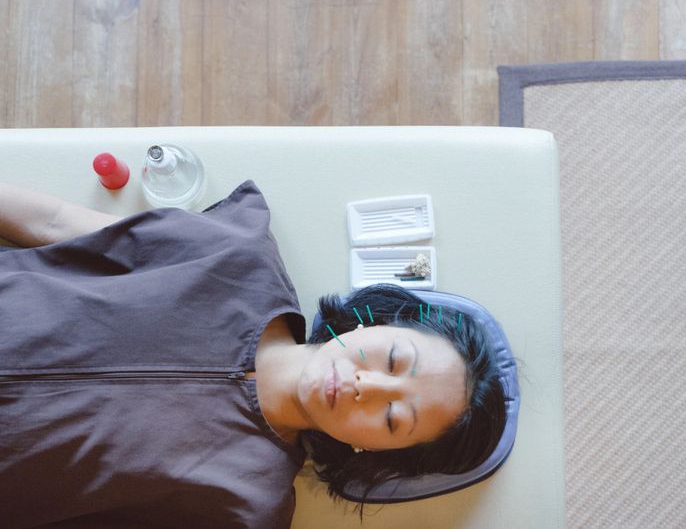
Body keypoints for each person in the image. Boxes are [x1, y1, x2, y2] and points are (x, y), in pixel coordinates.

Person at [0, 181, 506, 528]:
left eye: (394, 417)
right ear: (377, 319)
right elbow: (56, 224)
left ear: (372, 453)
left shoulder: (245, 506)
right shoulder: (237, 258)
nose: (366, 387)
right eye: (393, 361)